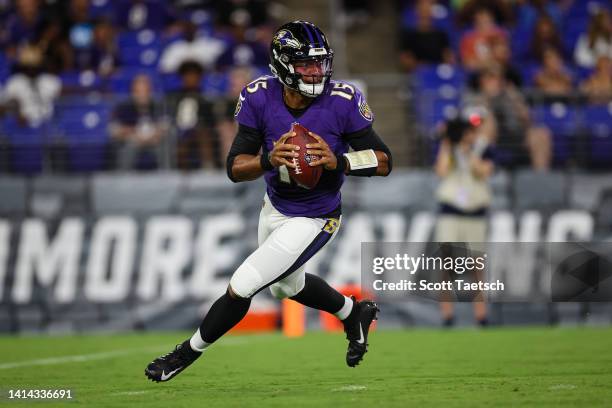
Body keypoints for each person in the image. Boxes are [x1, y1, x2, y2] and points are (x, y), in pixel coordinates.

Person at [145, 20, 392, 382]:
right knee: (286, 287)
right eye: (306, 64)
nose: (316, 71)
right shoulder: (258, 96)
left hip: (317, 215)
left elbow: (384, 160)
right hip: (275, 205)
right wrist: (267, 159)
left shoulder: (342, 100)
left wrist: (339, 161)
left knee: (243, 284)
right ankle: (353, 312)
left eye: (320, 63)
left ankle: (185, 353)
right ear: (282, 64)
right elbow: (234, 167)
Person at [434, 117, 493, 326]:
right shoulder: (449, 149)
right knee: (447, 265)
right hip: (451, 211)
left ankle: (481, 315)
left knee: (477, 265)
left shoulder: (482, 148)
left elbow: (483, 172)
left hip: (475, 212)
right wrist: (447, 144)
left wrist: (468, 152)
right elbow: (441, 171)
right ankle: (447, 315)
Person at [165, 60, 218, 169]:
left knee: (204, 134)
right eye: (187, 75)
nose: (191, 78)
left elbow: (210, 120)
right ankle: (181, 172)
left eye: (194, 75)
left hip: (199, 130)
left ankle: (208, 167)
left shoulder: (205, 98)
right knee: (179, 140)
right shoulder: (174, 97)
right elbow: (169, 116)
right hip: (179, 130)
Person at [109, 74, 168, 170]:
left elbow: (165, 126)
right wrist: (134, 135)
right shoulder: (123, 107)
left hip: (154, 140)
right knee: (128, 147)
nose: (142, 94)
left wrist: (154, 135)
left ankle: (167, 179)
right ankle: (124, 180)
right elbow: (114, 129)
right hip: (132, 141)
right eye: (138, 91)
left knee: (164, 146)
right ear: (133, 92)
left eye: (145, 91)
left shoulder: (158, 105)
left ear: (150, 91)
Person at [399, 0, 454, 72]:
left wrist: (441, 67)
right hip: (417, 75)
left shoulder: (441, 34)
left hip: (438, 73)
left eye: (428, 6)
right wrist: (419, 67)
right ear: (417, 9)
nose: (425, 9)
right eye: (422, 6)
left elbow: (448, 57)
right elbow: (405, 58)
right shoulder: (409, 35)